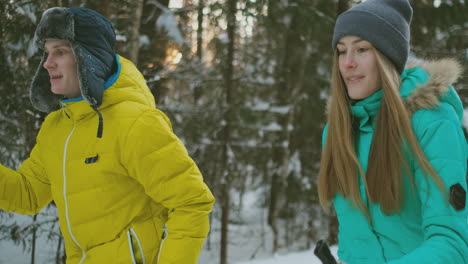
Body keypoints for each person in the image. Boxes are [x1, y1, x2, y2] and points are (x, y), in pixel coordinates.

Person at [0, 7, 215, 264]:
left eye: (60, 51)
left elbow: (192, 203)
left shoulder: (135, 123)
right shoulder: (56, 127)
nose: (47, 63)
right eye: (46, 53)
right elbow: (28, 195)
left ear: (88, 57)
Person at [317, 0, 468, 263]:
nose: (348, 63)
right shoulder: (337, 131)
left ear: (388, 58)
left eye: (362, 49)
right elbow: (356, 239)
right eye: (341, 51)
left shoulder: (431, 123)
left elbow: (453, 242)